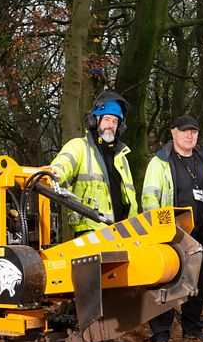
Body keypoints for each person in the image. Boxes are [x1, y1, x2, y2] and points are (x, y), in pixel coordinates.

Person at [142, 115, 203, 342]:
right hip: (170, 234)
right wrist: (160, 229)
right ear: (174, 132)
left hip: (201, 233)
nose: (190, 135)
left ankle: (193, 330)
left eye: (194, 131)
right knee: (165, 285)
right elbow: (149, 197)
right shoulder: (161, 162)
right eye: (185, 131)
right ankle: (160, 336)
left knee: (198, 285)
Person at [48, 90, 138, 235]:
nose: (111, 125)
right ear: (95, 120)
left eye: (115, 121)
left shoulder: (121, 156)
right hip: (91, 232)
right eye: (107, 119)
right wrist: (54, 172)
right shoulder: (79, 146)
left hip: (124, 232)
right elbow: (64, 161)